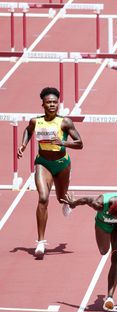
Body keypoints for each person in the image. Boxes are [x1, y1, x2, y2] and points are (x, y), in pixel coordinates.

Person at [17, 87, 83, 258]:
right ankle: (40, 242)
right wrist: (23, 145)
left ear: (58, 104)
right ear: (43, 104)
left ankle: (67, 200)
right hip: (43, 163)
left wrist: (62, 143)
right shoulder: (35, 121)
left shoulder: (65, 122)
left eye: (54, 102)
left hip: (62, 164)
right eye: (49, 102)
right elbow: (27, 131)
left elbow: (79, 143)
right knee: (43, 198)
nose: (52, 105)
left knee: (61, 197)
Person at [61, 174, 117, 311]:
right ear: (113, 211)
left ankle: (110, 297)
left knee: (116, 255)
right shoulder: (100, 203)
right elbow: (86, 200)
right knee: (104, 251)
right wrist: (73, 203)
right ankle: (102, 297)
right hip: (102, 224)